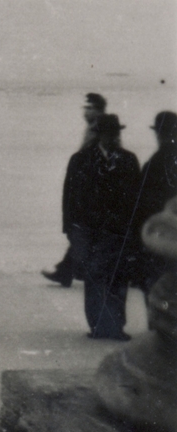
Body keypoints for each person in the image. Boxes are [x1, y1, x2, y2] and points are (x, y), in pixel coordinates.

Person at [60, 108, 142, 339]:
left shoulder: (128, 159)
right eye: (108, 133)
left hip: (117, 230)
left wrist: (133, 230)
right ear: (99, 134)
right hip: (88, 229)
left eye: (114, 133)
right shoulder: (80, 160)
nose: (113, 137)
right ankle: (97, 325)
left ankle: (116, 326)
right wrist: (69, 228)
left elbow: (135, 197)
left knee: (117, 277)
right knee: (94, 276)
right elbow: (69, 195)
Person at [43, 94, 106, 285]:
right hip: (88, 191)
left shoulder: (99, 129)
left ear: (99, 110)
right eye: (85, 108)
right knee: (86, 235)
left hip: (92, 192)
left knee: (84, 234)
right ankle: (69, 270)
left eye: (90, 107)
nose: (86, 112)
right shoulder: (94, 127)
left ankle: (67, 271)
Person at [131, 111, 177, 299]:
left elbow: (141, 205)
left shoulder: (154, 164)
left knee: (156, 283)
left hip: (160, 236)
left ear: (158, 134)